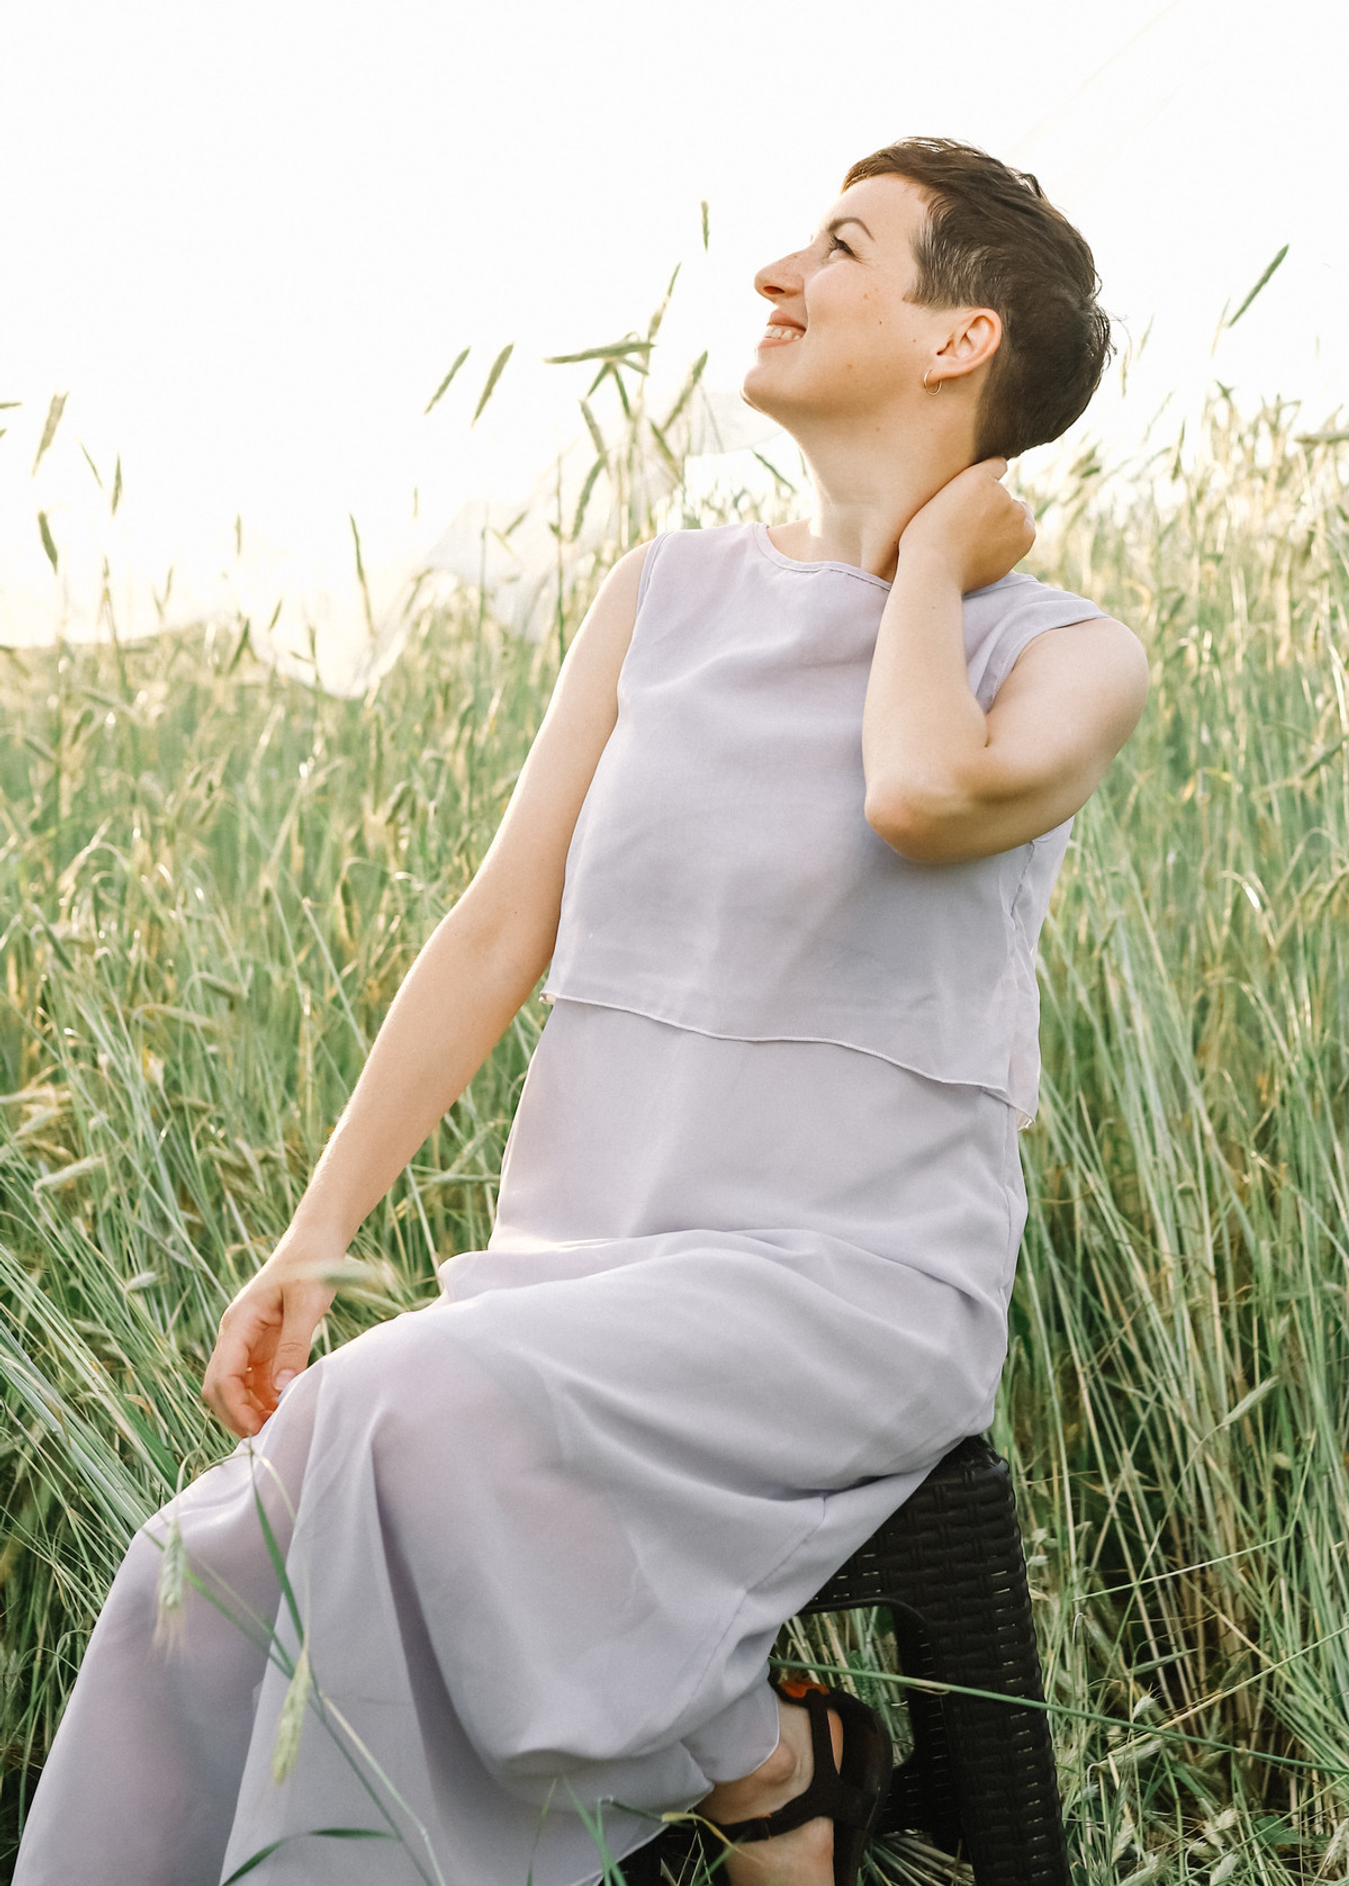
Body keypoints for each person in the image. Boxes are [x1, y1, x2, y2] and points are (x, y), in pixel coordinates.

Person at [16, 137, 1147, 1886]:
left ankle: (758, 1764)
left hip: (845, 1287)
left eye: (843, 246)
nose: (776, 272)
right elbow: (496, 931)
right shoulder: (665, 596)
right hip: (584, 1278)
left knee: (400, 1412)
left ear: (959, 338)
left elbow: (920, 794)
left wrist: (926, 566)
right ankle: (767, 1761)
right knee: (196, 1578)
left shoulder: (1062, 654)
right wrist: (318, 1235)